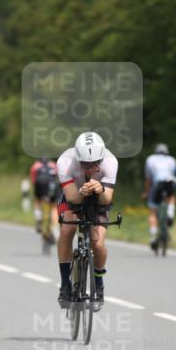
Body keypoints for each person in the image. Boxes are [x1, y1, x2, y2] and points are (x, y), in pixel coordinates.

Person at [56, 131, 118, 308]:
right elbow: (73, 199)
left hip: (99, 197)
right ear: (77, 159)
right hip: (73, 194)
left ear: (101, 159)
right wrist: (81, 192)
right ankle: (65, 285)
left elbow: (107, 200)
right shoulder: (65, 162)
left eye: (94, 165)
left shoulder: (111, 161)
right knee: (68, 229)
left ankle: (98, 284)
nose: (90, 169)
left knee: (97, 244)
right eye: (85, 165)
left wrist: (100, 189)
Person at [143, 143, 176, 251]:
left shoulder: (150, 159)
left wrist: (146, 192)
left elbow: (149, 179)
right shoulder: (172, 160)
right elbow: (174, 174)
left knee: (153, 212)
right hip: (169, 182)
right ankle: (170, 213)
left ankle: (153, 237)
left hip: (157, 184)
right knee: (172, 196)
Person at [30, 156, 59, 238]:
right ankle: (55, 227)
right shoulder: (53, 164)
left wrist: (39, 194)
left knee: (37, 201)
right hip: (51, 182)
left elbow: (33, 180)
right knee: (53, 206)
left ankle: (38, 217)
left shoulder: (35, 165)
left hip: (39, 182)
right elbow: (57, 177)